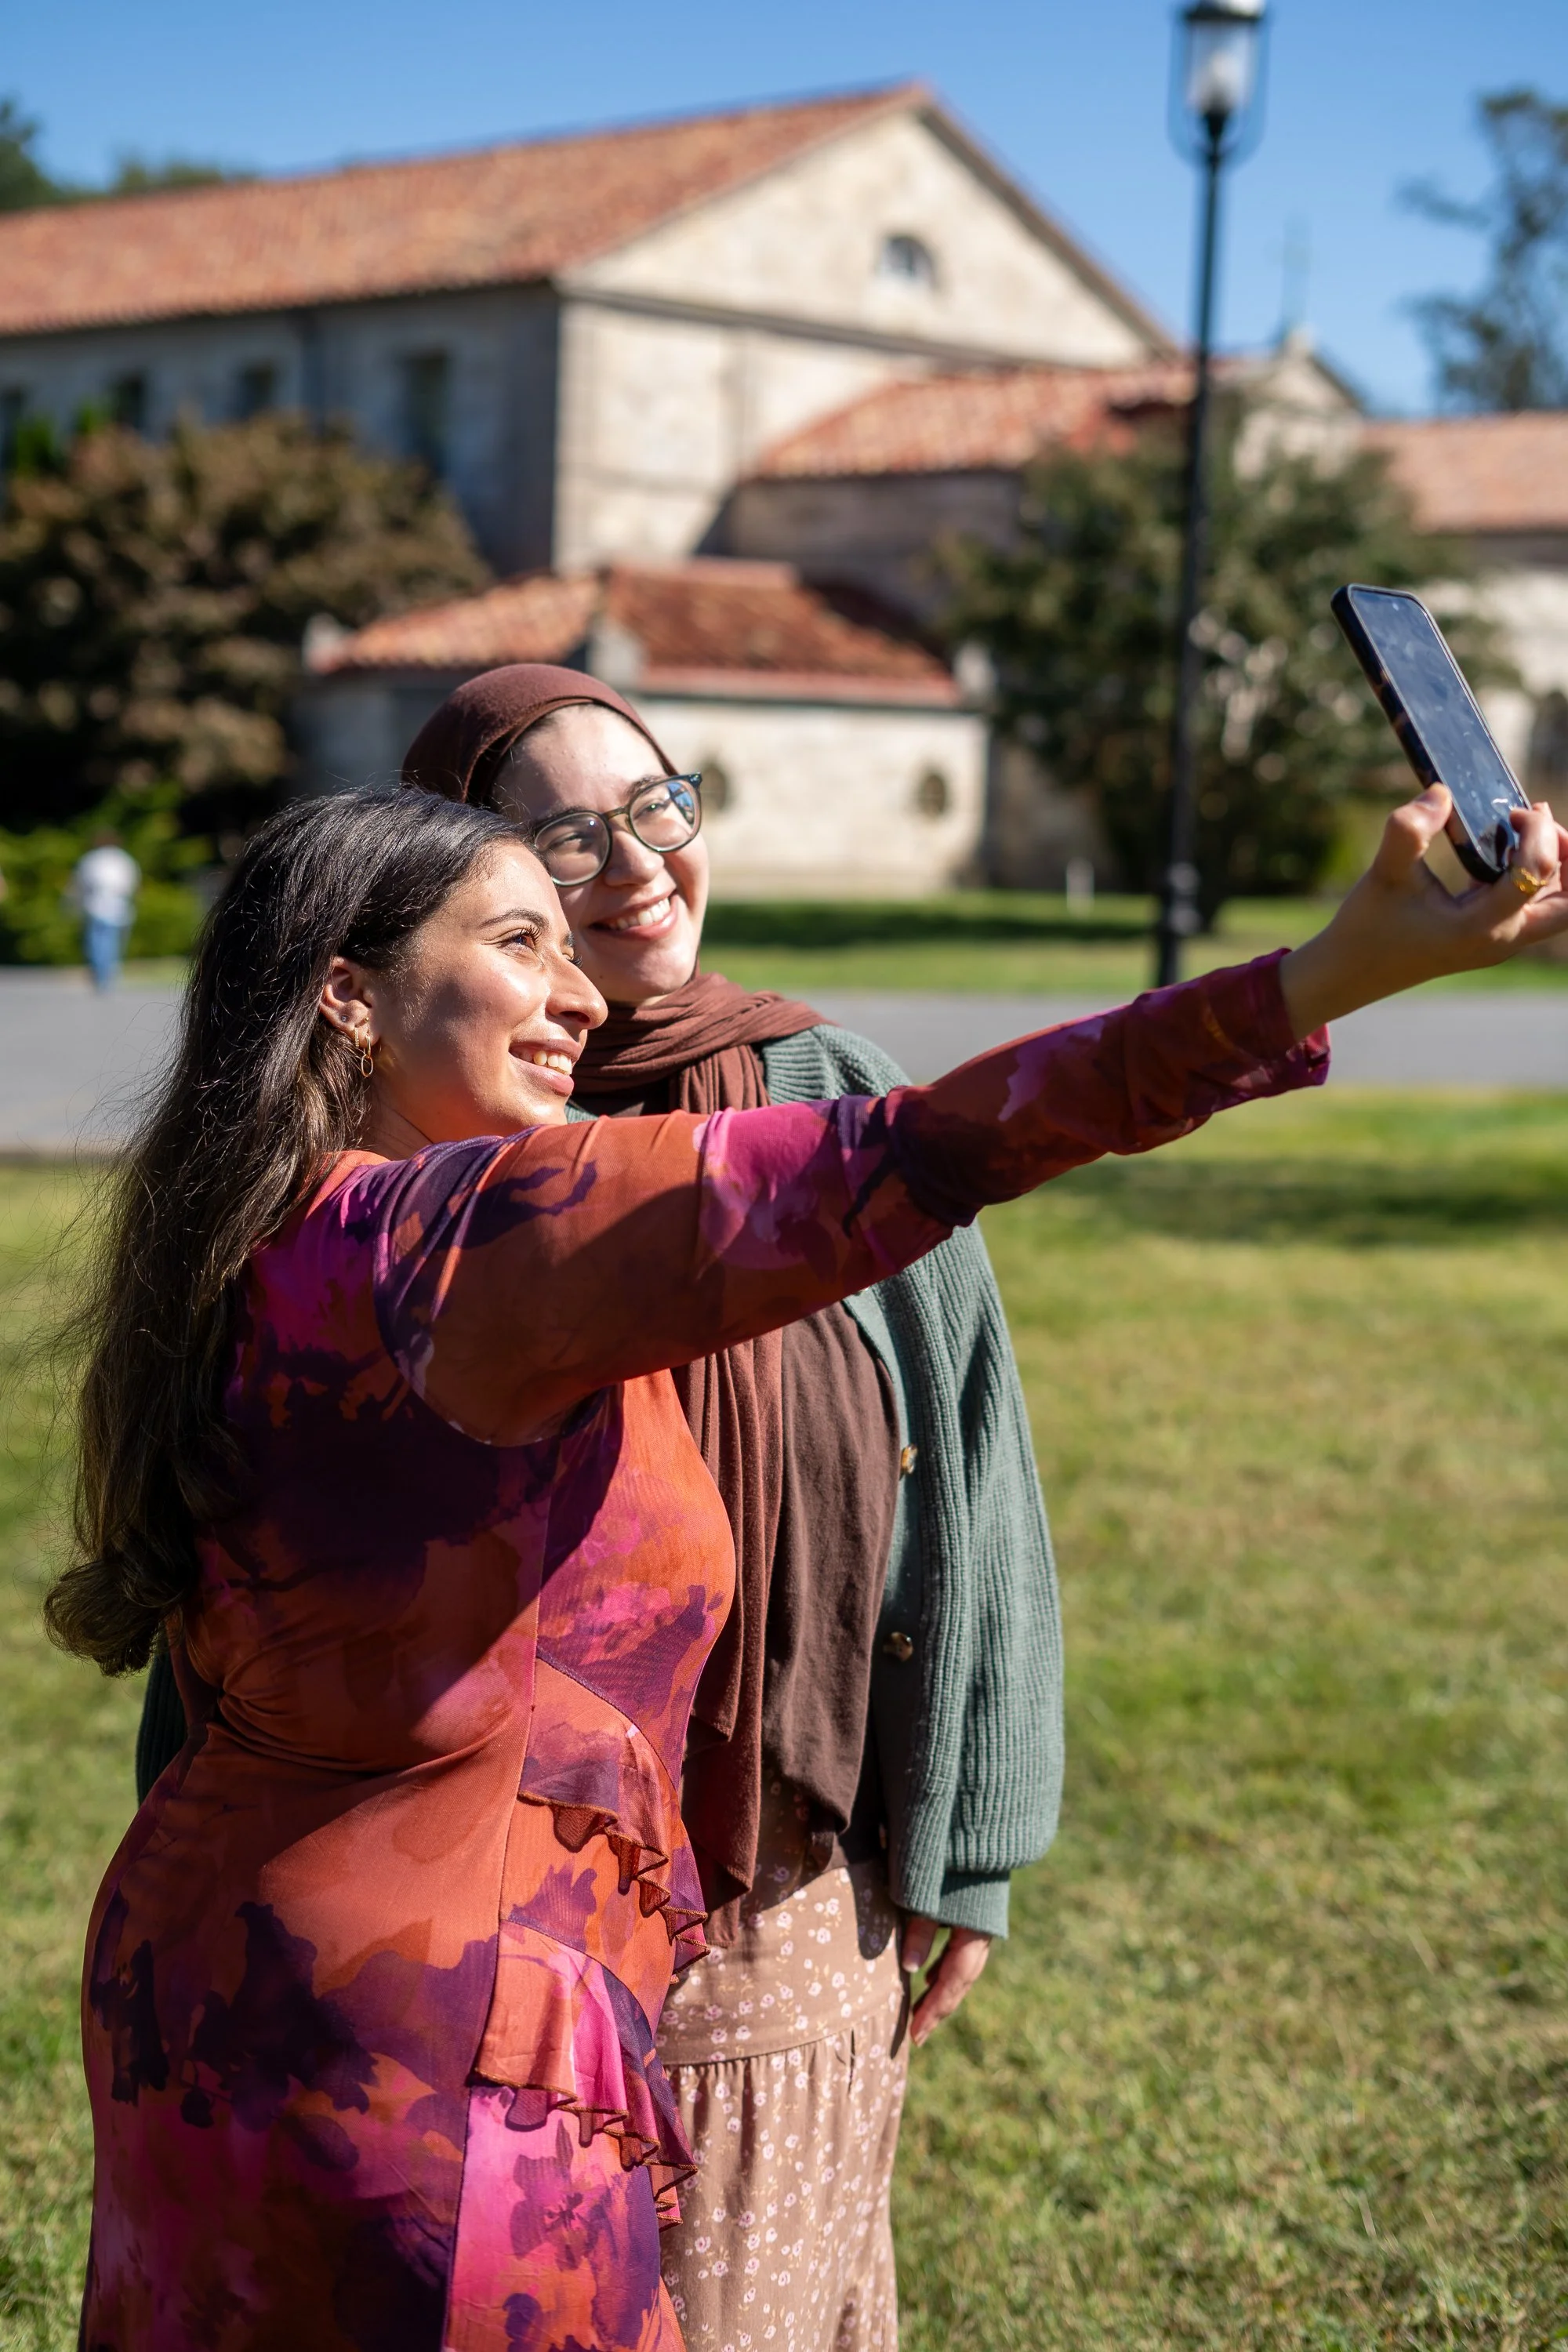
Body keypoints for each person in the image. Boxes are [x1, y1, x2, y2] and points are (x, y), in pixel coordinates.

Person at [84, 768, 1566, 2350]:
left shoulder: (249, 1236)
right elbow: (919, 1152)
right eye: (521, 943)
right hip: (429, 2060)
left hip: (207, 1993)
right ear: (348, 997)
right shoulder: (468, 1244)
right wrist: (1334, 970)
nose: (578, 995)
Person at [397, 664, 1060, 2352]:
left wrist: (971, 1842)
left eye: (658, 805)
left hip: (781, 1892)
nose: (636, 868)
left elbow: (968, 1456)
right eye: (562, 835)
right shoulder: (425, 1145)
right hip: (488, 1919)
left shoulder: (830, 1084)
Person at [71, 828, 140, 989]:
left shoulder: (91, 859)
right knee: (112, 941)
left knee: (97, 942)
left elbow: (81, 884)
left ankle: (100, 973)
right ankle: (107, 972)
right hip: (118, 907)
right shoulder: (124, 860)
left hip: (96, 906)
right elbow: (132, 885)